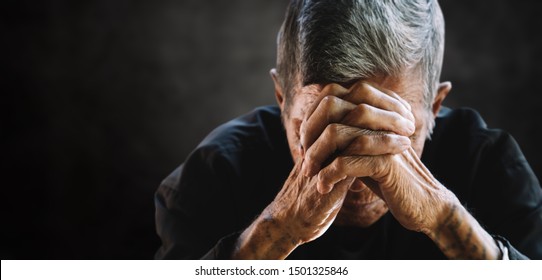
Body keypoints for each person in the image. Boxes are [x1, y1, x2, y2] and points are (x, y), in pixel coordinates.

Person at [154, 0, 542, 259]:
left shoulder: (491, 168)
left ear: (435, 107)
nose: (355, 175)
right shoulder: (216, 174)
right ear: (281, 98)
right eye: (321, 129)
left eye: (385, 130)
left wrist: (444, 219)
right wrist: (278, 231)